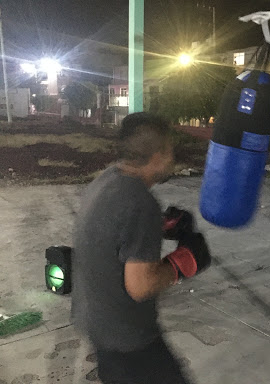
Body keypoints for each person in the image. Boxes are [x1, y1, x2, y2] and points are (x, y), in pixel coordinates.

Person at [72, 112, 211, 384]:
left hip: (99, 327)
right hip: (129, 342)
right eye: (170, 150)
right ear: (157, 156)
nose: (173, 157)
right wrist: (184, 262)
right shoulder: (139, 203)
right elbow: (140, 285)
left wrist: (161, 226)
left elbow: (111, 230)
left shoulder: (106, 181)